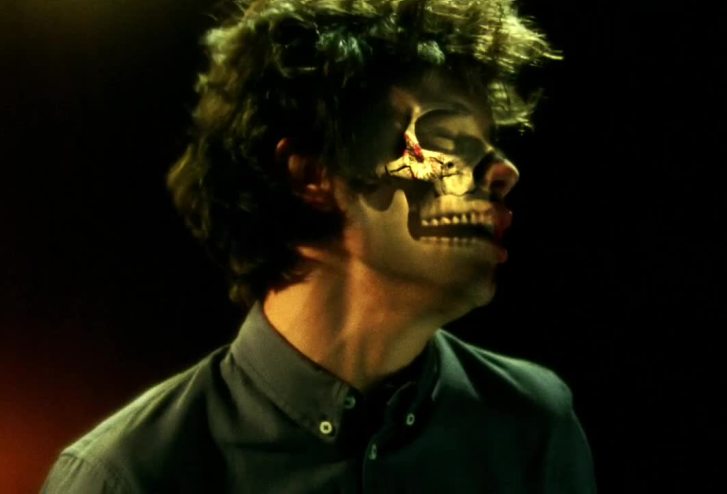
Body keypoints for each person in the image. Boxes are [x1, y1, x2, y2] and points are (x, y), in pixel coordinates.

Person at [43, 0, 596, 492]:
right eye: (446, 140)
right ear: (312, 175)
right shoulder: (129, 475)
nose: (504, 172)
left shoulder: (530, 423)